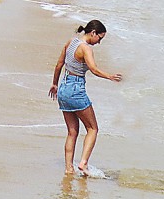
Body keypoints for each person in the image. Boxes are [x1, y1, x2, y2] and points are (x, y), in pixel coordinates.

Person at [48, 19, 123, 176]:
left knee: (72, 131)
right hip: (76, 89)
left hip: (63, 88)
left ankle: (69, 168)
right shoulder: (86, 48)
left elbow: (59, 64)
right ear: (93, 33)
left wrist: (54, 84)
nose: (99, 42)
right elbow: (94, 69)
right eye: (100, 38)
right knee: (93, 128)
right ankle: (83, 163)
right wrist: (110, 76)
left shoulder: (71, 42)